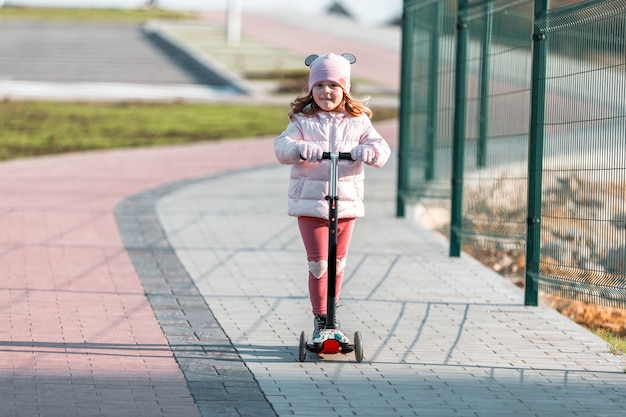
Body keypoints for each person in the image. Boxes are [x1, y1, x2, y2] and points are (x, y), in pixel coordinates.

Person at [274, 53, 391, 345]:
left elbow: (381, 148)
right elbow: (282, 146)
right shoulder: (303, 120)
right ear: (311, 89)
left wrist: (369, 152)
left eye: (334, 86)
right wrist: (300, 148)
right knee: (318, 264)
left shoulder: (358, 121)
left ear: (345, 89)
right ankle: (320, 319)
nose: (327, 92)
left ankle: (333, 318)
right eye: (320, 86)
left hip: (346, 203)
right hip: (311, 204)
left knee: (337, 263)